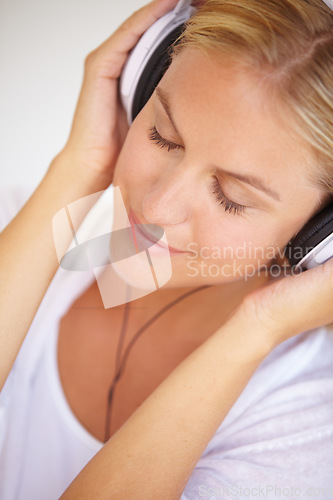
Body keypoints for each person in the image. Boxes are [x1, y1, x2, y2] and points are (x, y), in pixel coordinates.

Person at [0, 0, 332, 498]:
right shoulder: (23, 227)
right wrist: (76, 166)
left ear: (317, 234)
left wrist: (255, 330)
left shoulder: (309, 423)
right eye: (162, 135)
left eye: (230, 197)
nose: (155, 208)